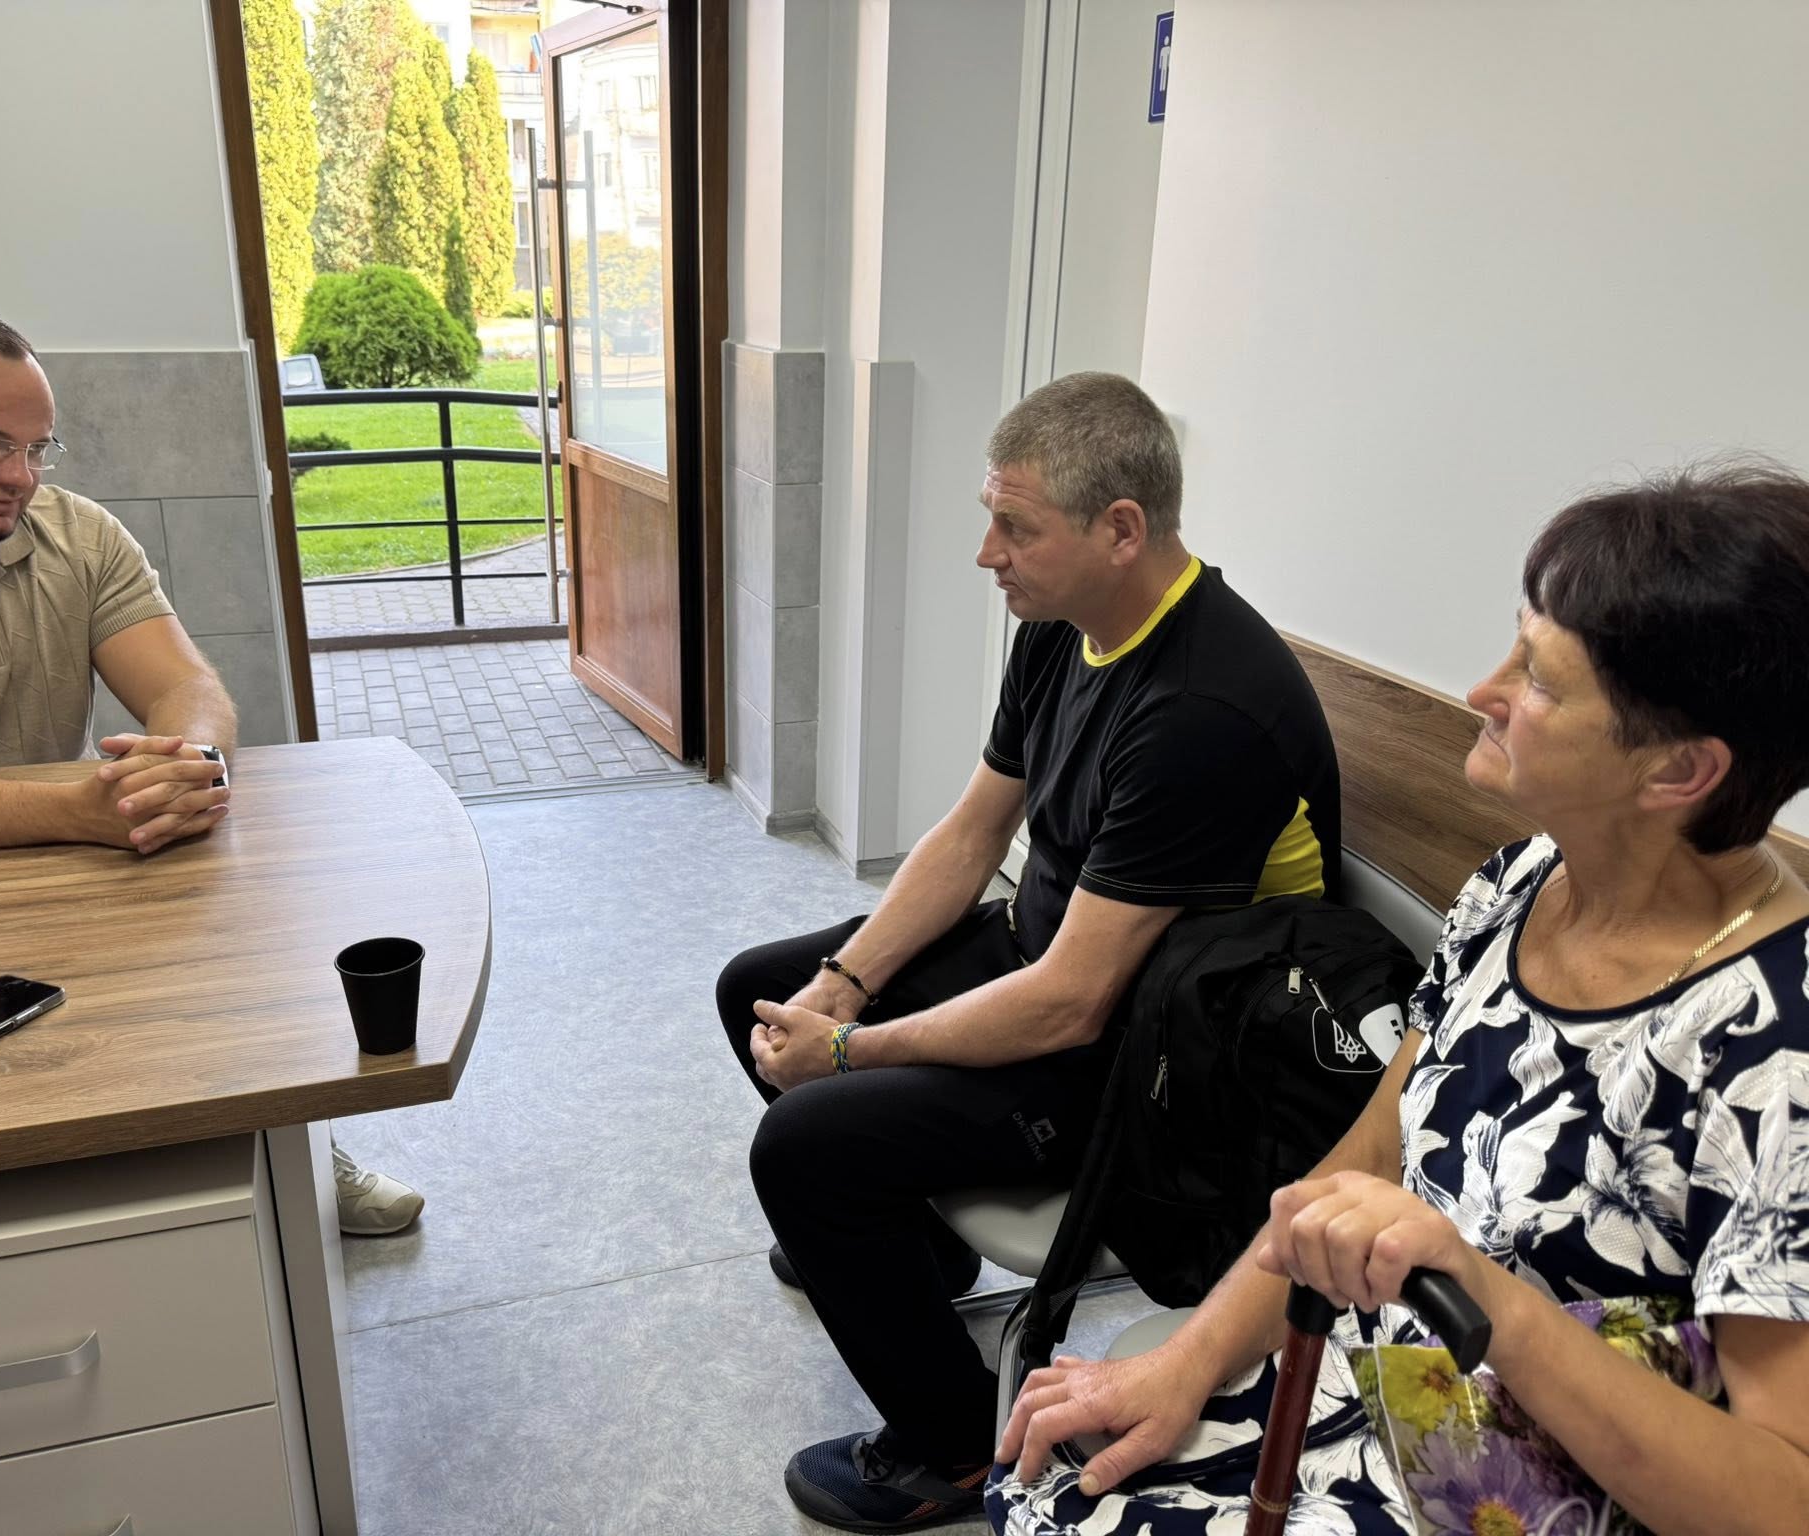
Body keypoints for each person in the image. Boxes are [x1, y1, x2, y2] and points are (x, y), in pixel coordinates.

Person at [992, 462, 1809, 1535]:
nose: (1483, 691)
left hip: (1535, 1489)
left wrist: (1492, 1306)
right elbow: (1368, 1156)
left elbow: (1780, 1498)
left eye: (1539, 680)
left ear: (1677, 773)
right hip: (1369, 1386)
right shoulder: (1521, 883)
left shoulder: (1777, 1053)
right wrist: (1184, 1362)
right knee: (1049, 1481)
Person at [714, 372, 1344, 1531]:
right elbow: (970, 835)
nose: (984, 554)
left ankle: (954, 1448)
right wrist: (841, 985)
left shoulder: (1202, 710)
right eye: (987, 516)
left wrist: (845, 1052)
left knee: (802, 1147)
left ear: (1120, 530)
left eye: (1014, 526)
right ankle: (909, 1253)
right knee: (758, 989)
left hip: (1145, 1065)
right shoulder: (1066, 630)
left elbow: (1070, 1004)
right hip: (1048, 962)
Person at [0, 308, 422, 1237]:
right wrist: (77, 812)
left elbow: (189, 688)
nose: (20, 476)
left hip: (57, 862)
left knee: (211, 943)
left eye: (38, 447)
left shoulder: (78, 534)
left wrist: (184, 765)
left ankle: (288, 1142)